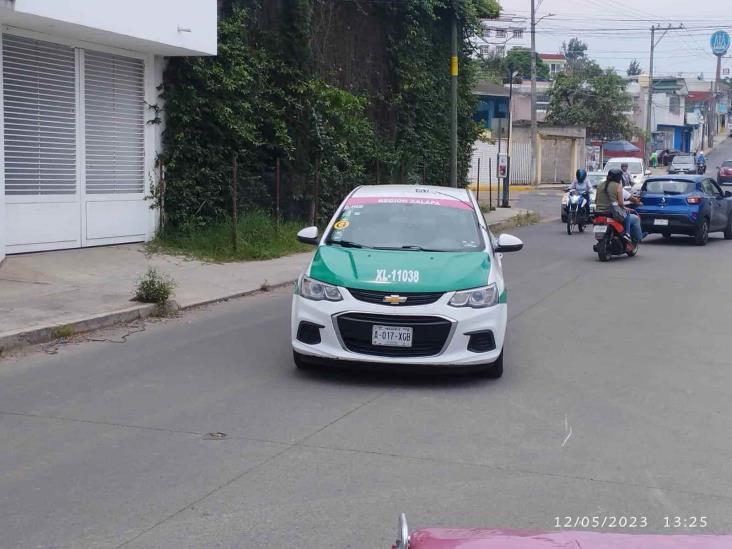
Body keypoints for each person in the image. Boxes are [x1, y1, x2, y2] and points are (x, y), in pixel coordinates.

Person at [595, 169, 643, 250]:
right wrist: (625, 208)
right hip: (612, 213)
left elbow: (596, 200)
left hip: (599, 213)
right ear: (619, 178)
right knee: (630, 215)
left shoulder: (600, 185)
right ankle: (627, 234)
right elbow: (621, 203)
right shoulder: (618, 186)